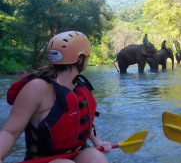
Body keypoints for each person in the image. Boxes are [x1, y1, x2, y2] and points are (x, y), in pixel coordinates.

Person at [0, 31, 112, 163]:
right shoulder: (37, 87)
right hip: (44, 159)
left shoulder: (79, 86)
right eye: (87, 56)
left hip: (77, 152)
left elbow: (82, 119)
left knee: (96, 158)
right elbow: (10, 132)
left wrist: (98, 142)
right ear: (80, 59)